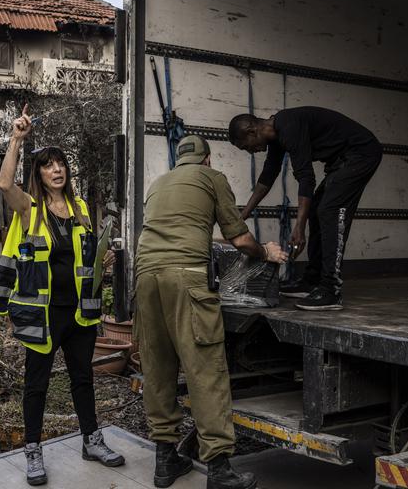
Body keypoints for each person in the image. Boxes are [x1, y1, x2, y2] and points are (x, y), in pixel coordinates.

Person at [135, 135, 288, 489]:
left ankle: (165, 461)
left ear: (180, 160)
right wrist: (265, 252)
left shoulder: (159, 184)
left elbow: (186, 231)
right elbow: (239, 239)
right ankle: (219, 471)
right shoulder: (212, 178)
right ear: (206, 159)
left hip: (146, 278)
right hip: (186, 280)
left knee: (158, 369)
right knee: (205, 370)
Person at [0, 105, 124, 486]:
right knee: (37, 385)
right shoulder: (30, 209)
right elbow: (3, 185)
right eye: (49, 165)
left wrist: (102, 256)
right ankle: (33, 451)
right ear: (40, 173)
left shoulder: (80, 210)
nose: (57, 169)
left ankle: (92, 441)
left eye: (61, 163)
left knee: (83, 379)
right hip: (43, 315)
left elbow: (85, 259)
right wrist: (17, 138)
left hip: (79, 314)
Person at [228, 106, 383, 311]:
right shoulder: (275, 137)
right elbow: (267, 177)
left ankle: (330, 289)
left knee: (329, 210)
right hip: (341, 161)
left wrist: (299, 228)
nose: (250, 151)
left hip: (361, 152)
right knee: (317, 208)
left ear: (251, 131)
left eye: (245, 146)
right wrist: (243, 216)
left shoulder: (289, 127)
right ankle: (312, 281)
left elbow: (306, 178)